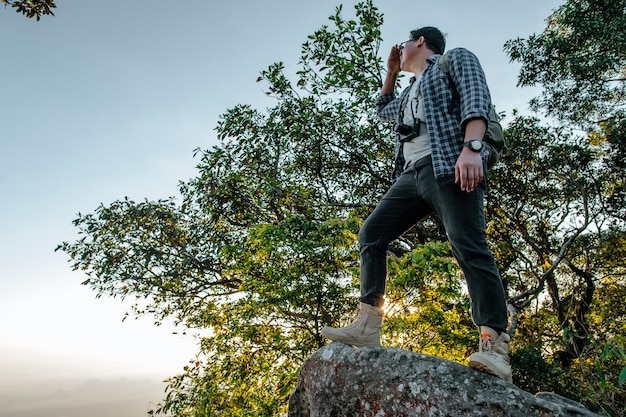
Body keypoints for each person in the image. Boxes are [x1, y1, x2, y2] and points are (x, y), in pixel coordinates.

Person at [321, 26, 512, 383]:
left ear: (420, 41)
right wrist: (391, 73)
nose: (400, 47)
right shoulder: (410, 90)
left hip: (448, 163)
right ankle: (367, 325)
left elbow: (476, 98)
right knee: (372, 234)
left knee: (469, 246)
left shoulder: (452, 60)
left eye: (405, 42)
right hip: (411, 176)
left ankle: (495, 346)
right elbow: (383, 109)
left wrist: (471, 149)